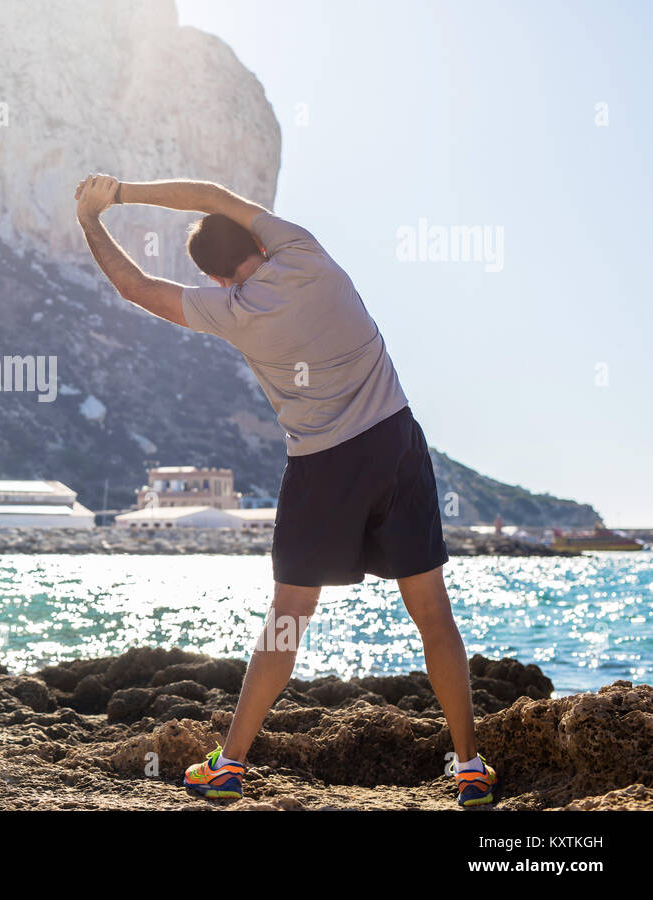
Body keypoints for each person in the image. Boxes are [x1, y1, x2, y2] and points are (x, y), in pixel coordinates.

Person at [73, 173, 498, 808]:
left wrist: (90, 220)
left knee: (286, 623)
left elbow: (135, 288)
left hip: (321, 468)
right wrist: (124, 191)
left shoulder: (233, 309)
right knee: (432, 613)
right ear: (258, 243)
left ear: (219, 279)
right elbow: (214, 198)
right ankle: (467, 766)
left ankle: (231, 766)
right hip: (394, 445)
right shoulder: (304, 251)